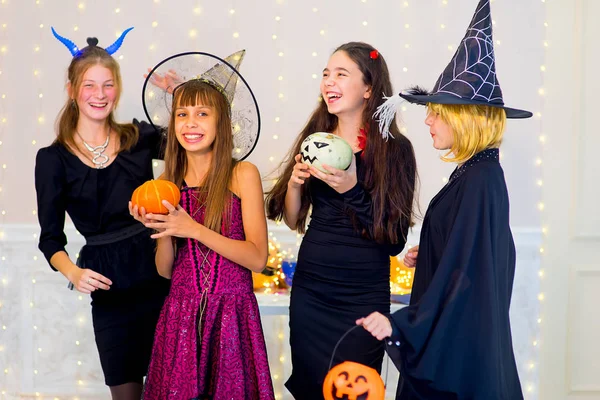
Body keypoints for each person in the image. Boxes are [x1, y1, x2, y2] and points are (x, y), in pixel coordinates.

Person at [358, 1, 532, 398]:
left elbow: (470, 271)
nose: (428, 120)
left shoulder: (481, 180)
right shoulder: (475, 175)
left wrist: (401, 325)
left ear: (465, 118)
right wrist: (436, 247)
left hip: (463, 354)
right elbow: (473, 253)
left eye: (437, 112)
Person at [265, 42, 417, 399]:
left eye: (341, 74)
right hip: (311, 293)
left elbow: (394, 240)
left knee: (353, 390)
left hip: (362, 299)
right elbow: (292, 219)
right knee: (311, 388)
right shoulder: (315, 140)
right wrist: (294, 186)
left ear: (368, 88)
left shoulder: (395, 150)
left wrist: (352, 189)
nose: (328, 82)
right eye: (326, 74)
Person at [34, 28, 174, 399]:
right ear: (72, 90)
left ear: (119, 88)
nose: (100, 95)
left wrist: (174, 97)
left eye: (108, 85)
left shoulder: (140, 137)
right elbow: (50, 239)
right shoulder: (52, 160)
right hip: (110, 290)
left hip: (161, 275)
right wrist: (74, 272)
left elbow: (197, 143)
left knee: (175, 388)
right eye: (90, 85)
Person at [131, 50, 275, 399]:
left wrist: (193, 228)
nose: (190, 123)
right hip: (180, 317)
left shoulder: (242, 174)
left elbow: (257, 259)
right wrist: (162, 230)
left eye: (202, 114)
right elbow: (166, 271)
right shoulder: (167, 181)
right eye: (182, 114)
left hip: (232, 316)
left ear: (220, 122)